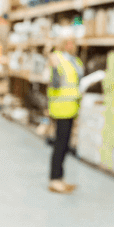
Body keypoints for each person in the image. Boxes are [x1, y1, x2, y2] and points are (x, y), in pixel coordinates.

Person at [47, 37, 83, 194]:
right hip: (61, 107)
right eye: (71, 43)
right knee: (60, 145)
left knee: (65, 145)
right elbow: (54, 82)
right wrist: (53, 66)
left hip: (71, 107)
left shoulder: (74, 61)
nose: (73, 46)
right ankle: (55, 180)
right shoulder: (57, 58)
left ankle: (60, 179)